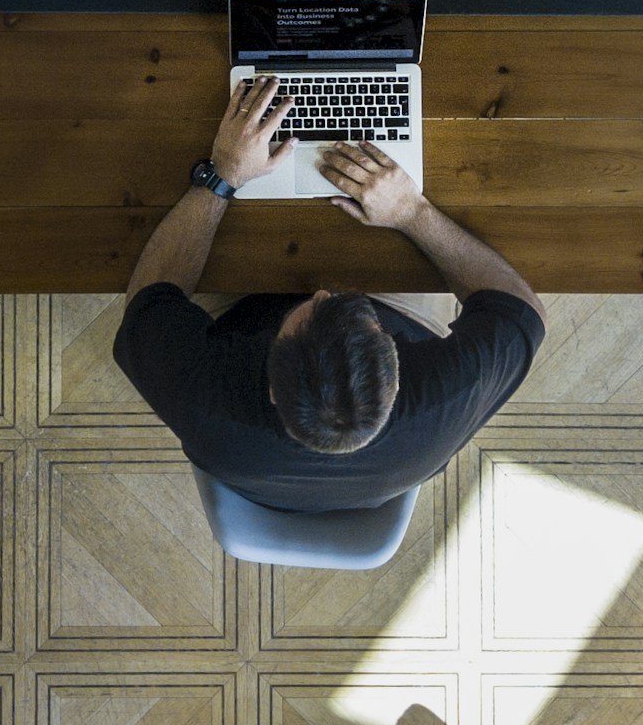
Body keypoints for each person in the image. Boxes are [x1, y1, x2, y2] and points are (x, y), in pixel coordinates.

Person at [111, 74, 548, 513]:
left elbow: (148, 301)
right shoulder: (441, 404)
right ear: (398, 379)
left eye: (311, 310)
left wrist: (223, 174)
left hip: (243, 324)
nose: (321, 292)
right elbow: (524, 311)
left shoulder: (205, 402)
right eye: (333, 304)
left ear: (272, 391)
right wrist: (412, 212)